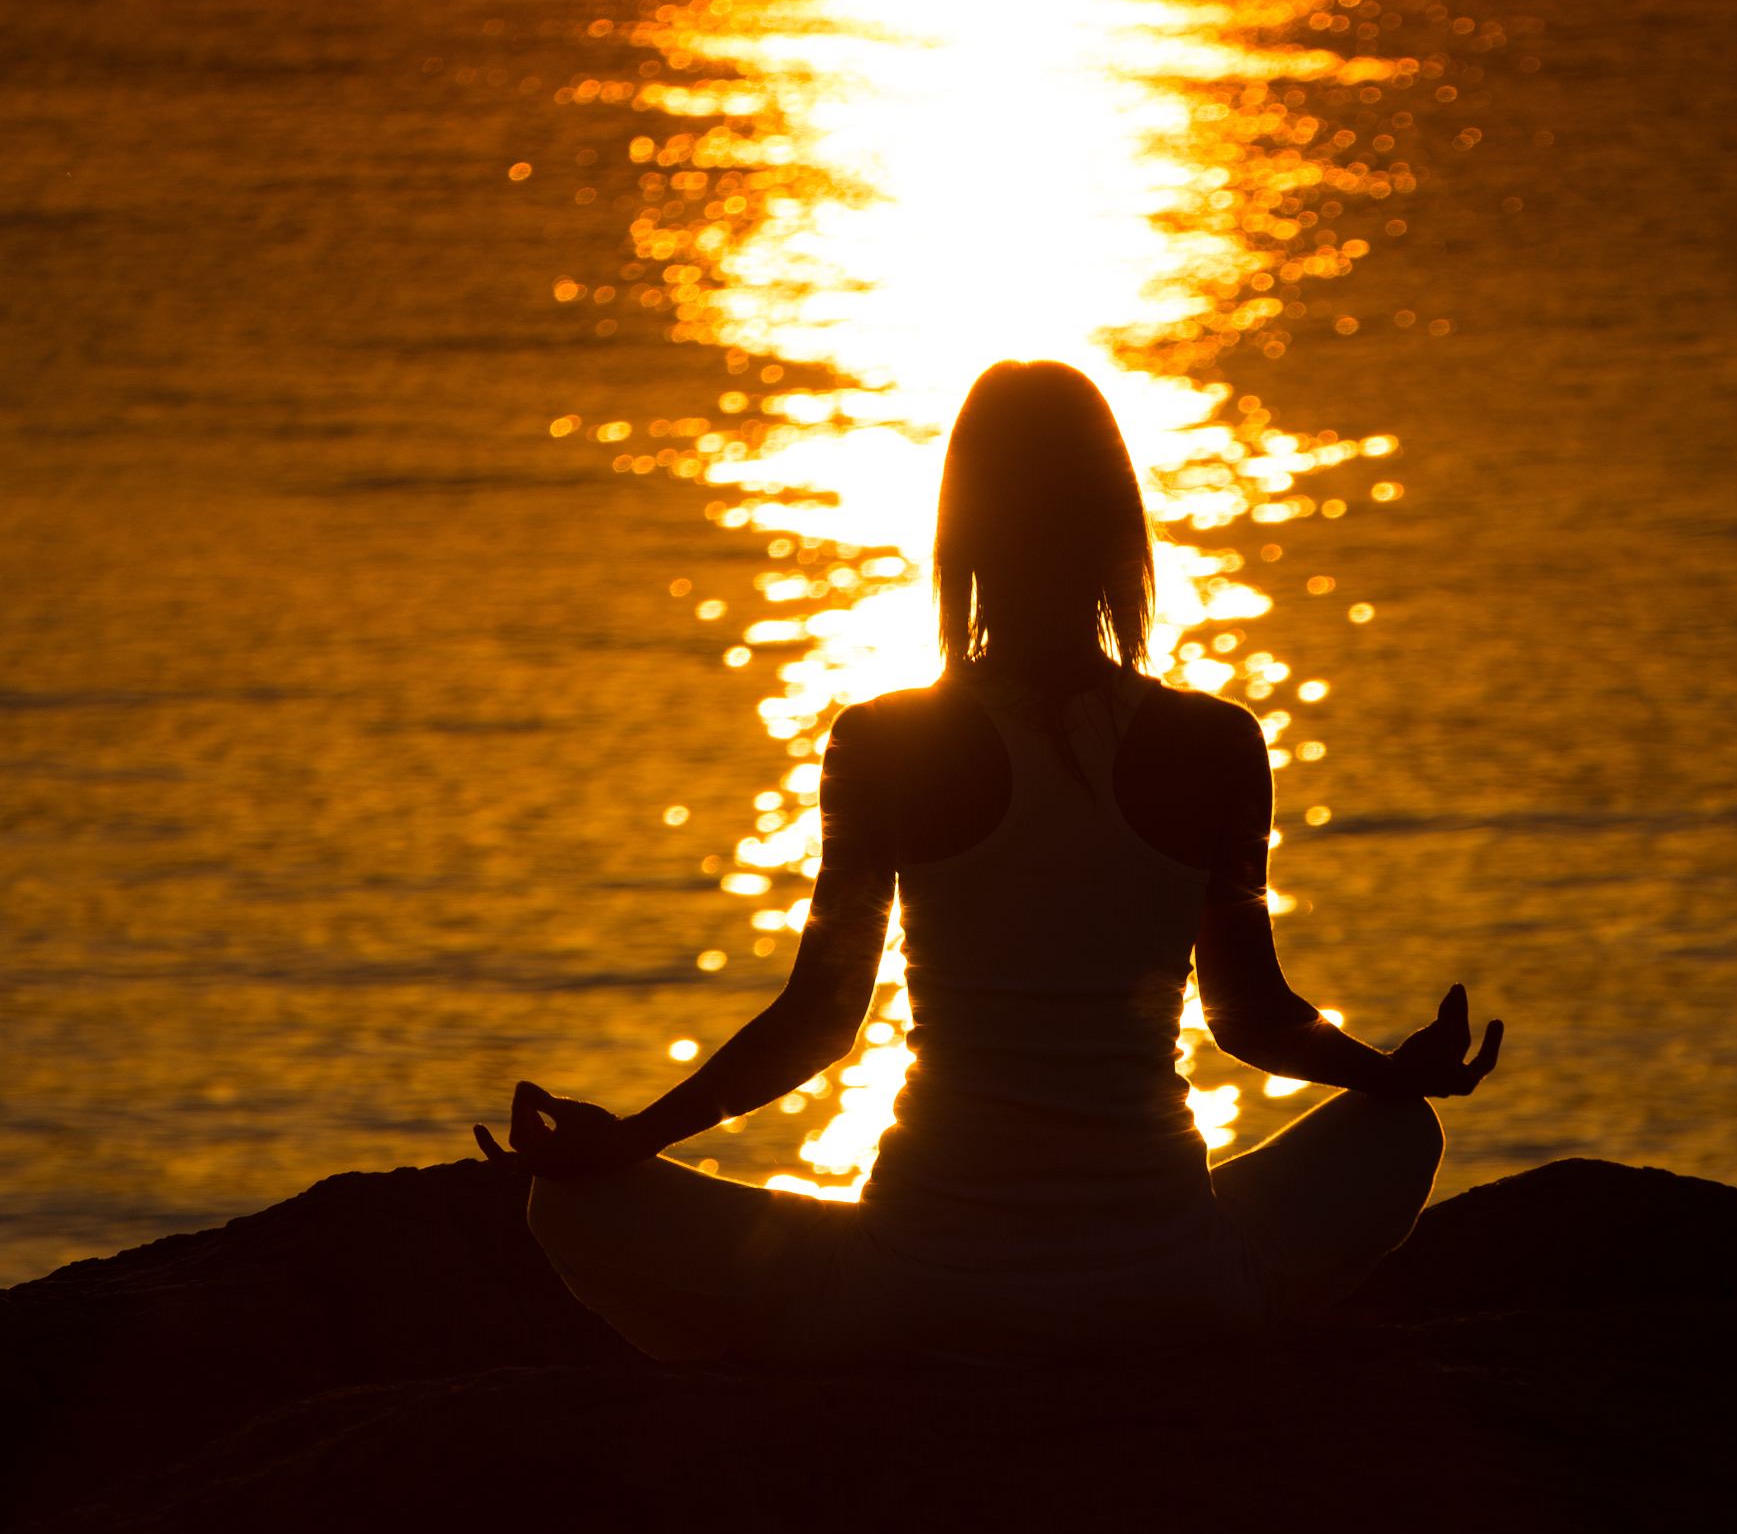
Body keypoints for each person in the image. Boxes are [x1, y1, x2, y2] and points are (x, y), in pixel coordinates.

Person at [475, 360, 1502, 1365]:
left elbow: (821, 1020)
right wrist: (1389, 1073)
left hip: (915, 1286)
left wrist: (631, 1141)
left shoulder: (882, 739)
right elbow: (1251, 1016)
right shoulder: (1216, 741)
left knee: (562, 1198)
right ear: (1115, 532)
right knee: (1398, 1132)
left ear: (960, 531)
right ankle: (1226, 1314)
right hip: (1171, 1279)